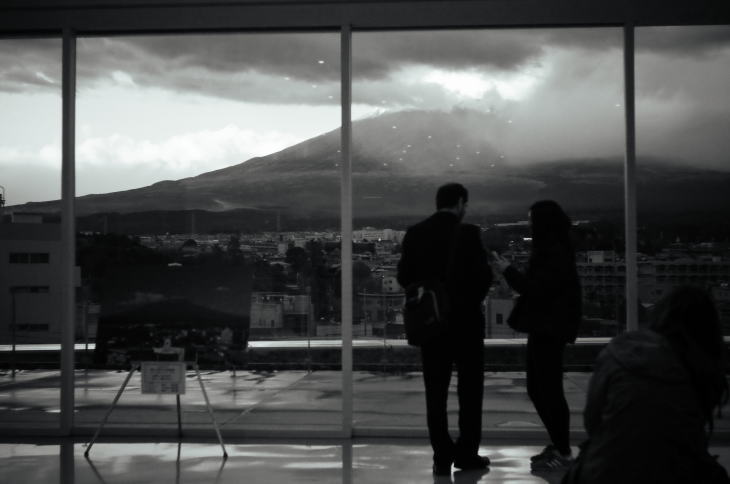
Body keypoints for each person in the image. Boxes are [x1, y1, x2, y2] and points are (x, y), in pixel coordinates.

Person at [562, 286, 730, 484]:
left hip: (603, 471)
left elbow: (592, 420)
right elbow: (692, 435)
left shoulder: (620, 351)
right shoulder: (699, 367)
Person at [397, 183, 493, 476]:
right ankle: (467, 453)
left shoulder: (415, 233)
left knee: (435, 392)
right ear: (461, 203)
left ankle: (441, 456)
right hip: (466, 325)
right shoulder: (469, 233)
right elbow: (483, 278)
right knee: (470, 390)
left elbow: (404, 277)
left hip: (432, 324)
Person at [492, 200, 581, 471]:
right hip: (549, 327)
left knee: (546, 390)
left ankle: (563, 450)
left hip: (547, 328)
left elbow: (535, 290)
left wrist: (506, 269)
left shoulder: (552, 253)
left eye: (532, 220)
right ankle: (559, 446)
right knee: (543, 388)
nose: (529, 224)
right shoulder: (558, 249)